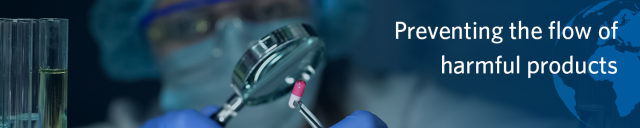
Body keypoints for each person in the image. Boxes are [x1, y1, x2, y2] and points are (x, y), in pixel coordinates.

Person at [90, 0, 383, 127]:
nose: (234, 39)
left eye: (268, 8)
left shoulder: (408, 111)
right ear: (143, 42)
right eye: (188, 24)